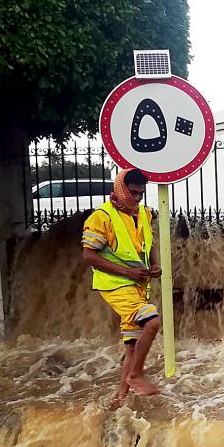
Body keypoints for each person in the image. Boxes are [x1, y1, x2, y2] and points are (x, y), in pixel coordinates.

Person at [81, 168, 162, 404]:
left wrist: (155, 264)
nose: (137, 198)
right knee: (152, 320)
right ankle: (136, 375)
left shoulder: (144, 214)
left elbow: (149, 242)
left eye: (141, 195)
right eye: (133, 193)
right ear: (120, 189)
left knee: (132, 346)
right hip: (114, 285)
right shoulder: (101, 217)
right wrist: (128, 271)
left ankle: (119, 398)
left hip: (137, 285)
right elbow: (88, 255)